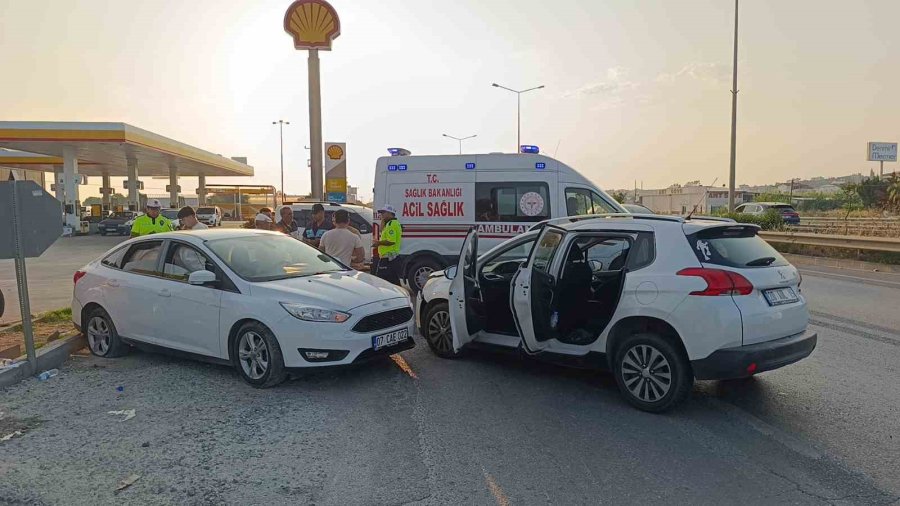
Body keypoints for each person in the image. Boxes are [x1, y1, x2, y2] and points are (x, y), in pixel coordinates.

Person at [374, 204, 402, 284]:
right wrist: (383, 220)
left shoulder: (391, 224)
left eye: (383, 212)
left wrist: (378, 243)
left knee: (382, 282)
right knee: (393, 282)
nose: (381, 214)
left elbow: (391, 241)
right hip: (391, 258)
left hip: (388, 259)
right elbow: (381, 230)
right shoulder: (392, 223)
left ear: (390, 213)